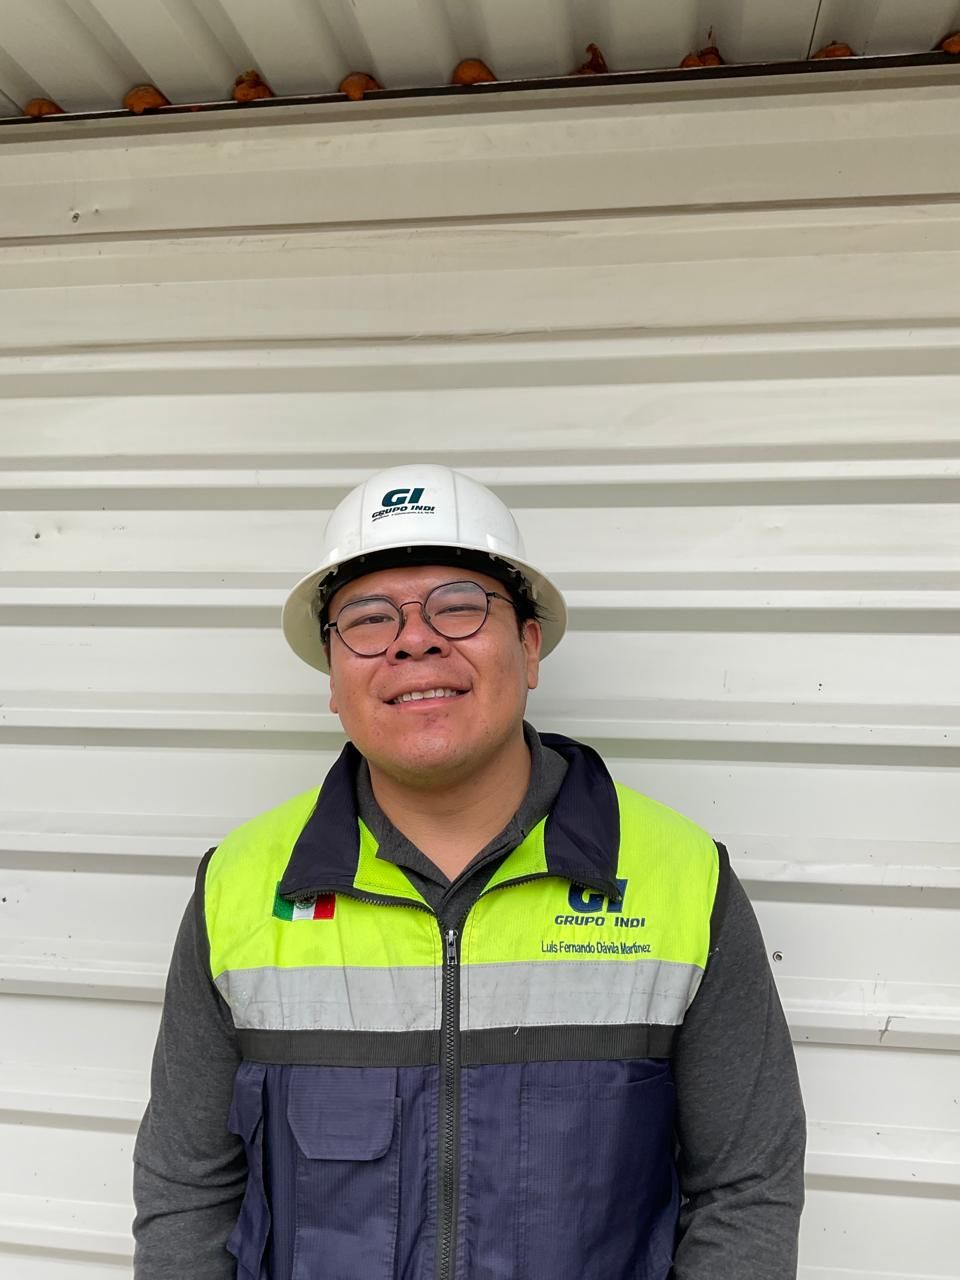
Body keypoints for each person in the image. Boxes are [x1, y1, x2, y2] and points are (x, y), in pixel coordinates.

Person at [133, 463, 805, 1280]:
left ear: (529, 646)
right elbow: (186, 1193)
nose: (414, 640)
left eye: (458, 606)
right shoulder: (240, 888)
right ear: (333, 680)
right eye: (369, 619)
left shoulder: (682, 880)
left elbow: (746, 1190)